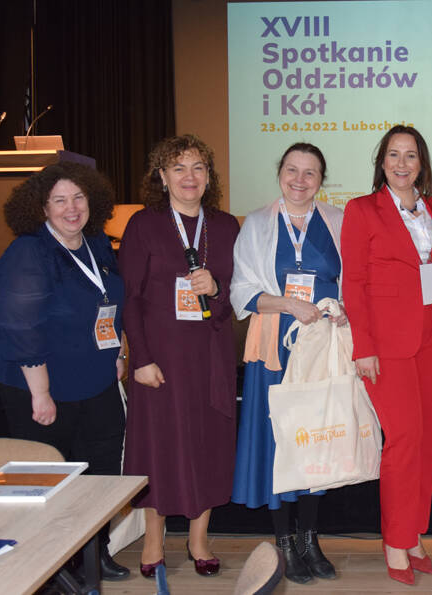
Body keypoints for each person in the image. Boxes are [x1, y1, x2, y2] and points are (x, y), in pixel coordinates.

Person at [0, 161, 130, 580]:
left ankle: (95, 552)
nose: (72, 208)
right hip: (39, 380)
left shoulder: (96, 243)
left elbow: (108, 300)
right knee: (50, 472)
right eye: (60, 200)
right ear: (42, 207)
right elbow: (21, 325)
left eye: (79, 197)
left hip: (94, 375)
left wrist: (117, 349)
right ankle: (52, 565)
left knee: (101, 465)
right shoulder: (29, 252)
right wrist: (41, 393)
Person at [119, 135, 239, 578]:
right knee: (159, 449)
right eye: (179, 168)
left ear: (209, 176)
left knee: (208, 445)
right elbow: (130, 298)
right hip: (160, 360)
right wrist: (141, 358)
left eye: (198, 168)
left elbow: (234, 297)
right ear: (162, 176)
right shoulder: (143, 224)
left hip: (210, 356)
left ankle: (198, 539)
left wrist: (218, 288)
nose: (190, 177)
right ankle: (153, 540)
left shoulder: (226, 226)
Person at [341, 125, 432, 585]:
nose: (402, 163)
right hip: (387, 346)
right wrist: (363, 347)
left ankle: (412, 534)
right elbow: (354, 283)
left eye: (410, 155)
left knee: (428, 442)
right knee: (404, 440)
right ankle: (394, 539)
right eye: (393, 154)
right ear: (382, 161)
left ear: (421, 163)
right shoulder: (362, 209)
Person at [231, 142, 343, 584]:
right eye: (292, 170)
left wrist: (343, 309)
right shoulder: (257, 223)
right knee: (279, 443)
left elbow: (352, 280)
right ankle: (285, 542)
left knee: (315, 442)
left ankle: (310, 538)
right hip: (275, 350)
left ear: (321, 180)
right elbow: (241, 290)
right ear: (280, 173)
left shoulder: (338, 220)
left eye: (310, 172)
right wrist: (287, 304)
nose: (300, 180)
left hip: (321, 348)